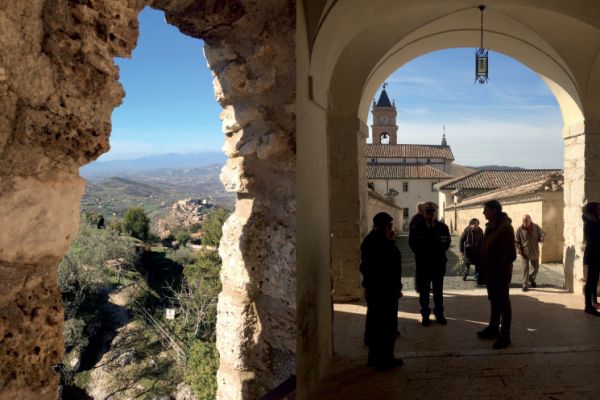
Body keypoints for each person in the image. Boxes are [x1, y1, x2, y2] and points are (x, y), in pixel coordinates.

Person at [359, 212, 404, 370]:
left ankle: (374, 358)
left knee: (376, 324)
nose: (391, 227)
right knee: (387, 326)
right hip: (385, 290)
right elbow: (390, 265)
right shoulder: (381, 242)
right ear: (385, 226)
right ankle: (385, 359)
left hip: (375, 289)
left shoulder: (371, 240)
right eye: (390, 225)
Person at [477, 200, 516, 349]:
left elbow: (510, 254)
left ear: (494, 210)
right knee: (494, 300)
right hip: (490, 273)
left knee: (504, 303)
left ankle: (505, 335)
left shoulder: (505, 228)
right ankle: (493, 328)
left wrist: (497, 269)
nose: (483, 213)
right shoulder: (491, 226)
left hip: (500, 274)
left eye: (486, 210)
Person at [409, 202, 451, 326]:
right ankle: (425, 315)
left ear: (435, 214)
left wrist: (435, 250)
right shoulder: (417, 227)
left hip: (438, 264)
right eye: (428, 213)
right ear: (424, 214)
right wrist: (425, 253)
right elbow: (412, 244)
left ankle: (439, 314)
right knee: (424, 292)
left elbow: (446, 242)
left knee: (438, 291)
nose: (430, 215)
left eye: (432, 213)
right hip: (423, 265)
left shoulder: (443, 227)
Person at [515, 215, 544, 291]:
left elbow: (541, 234)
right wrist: (518, 248)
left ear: (530, 220)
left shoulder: (536, 227)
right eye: (523, 221)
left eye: (526, 221)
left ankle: (531, 278)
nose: (525, 223)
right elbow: (516, 241)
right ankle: (525, 285)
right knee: (525, 268)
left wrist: (541, 238)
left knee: (536, 268)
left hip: (534, 250)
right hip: (524, 251)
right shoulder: (519, 229)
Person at [582, 202, 600, 316]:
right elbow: (595, 241)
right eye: (598, 209)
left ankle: (593, 301)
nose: (599, 211)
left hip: (596, 256)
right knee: (591, 281)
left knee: (594, 280)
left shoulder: (595, 222)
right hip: (594, 256)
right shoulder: (590, 224)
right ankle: (588, 305)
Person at [459, 218, 484, 283]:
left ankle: (477, 278)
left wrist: (483, 249)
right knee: (467, 265)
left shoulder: (480, 231)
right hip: (468, 251)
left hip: (477, 251)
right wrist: (461, 250)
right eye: (474, 224)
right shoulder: (467, 230)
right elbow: (462, 240)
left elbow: (482, 241)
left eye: (477, 224)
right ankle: (465, 275)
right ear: (470, 225)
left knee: (478, 265)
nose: (476, 226)